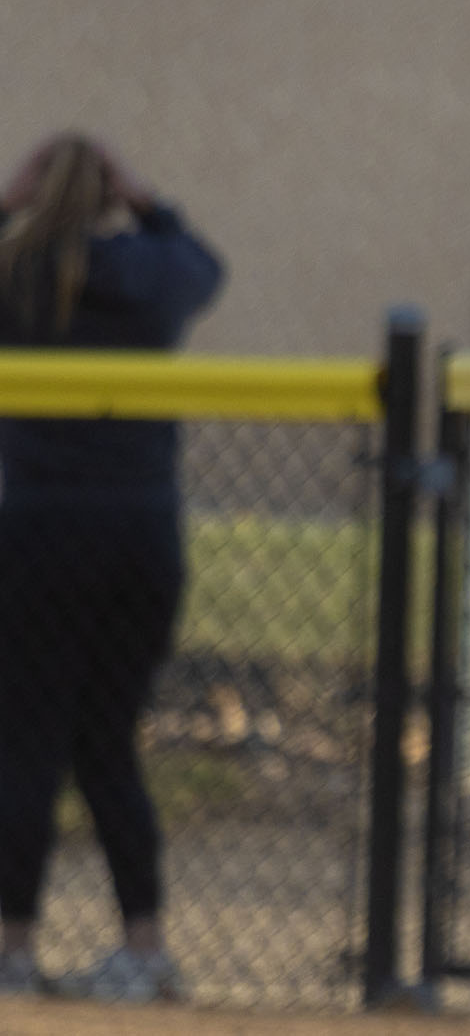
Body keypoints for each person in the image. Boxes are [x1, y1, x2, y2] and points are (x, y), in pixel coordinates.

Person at [0, 134, 225, 1002]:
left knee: (25, 747)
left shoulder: (15, 271)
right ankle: (144, 947)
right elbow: (203, 262)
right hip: (139, 536)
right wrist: (147, 199)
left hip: (40, 535)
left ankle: (15, 949)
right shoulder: (148, 273)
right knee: (106, 747)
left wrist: (11, 202)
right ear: (106, 198)